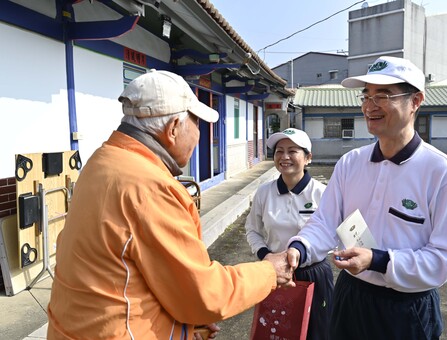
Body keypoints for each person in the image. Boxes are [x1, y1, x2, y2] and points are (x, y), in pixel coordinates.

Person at [46, 70, 294, 340]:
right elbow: (203, 295)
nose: (199, 135)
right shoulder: (150, 186)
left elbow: (133, 277)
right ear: (174, 128)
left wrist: (185, 327)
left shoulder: (103, 161)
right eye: (196, 124)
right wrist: (270, 272)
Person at [285, 56, 447, 339]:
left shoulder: (442, 173)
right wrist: (299, 248)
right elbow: (325, 221)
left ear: (416, 101)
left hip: (407, 309)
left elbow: (446, 259)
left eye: (383, 95)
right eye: (366, 96)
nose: (370, 106)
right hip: (350, 295)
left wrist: (378, 260)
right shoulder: (350, 163)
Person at [245, 128, 334, 340]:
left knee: (318, 332)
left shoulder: (322, 193)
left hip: (313, 274)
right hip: (274, 274)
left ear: (308, 158)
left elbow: (332, 234)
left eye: (292, 151)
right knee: (277, 331)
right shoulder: (264, 192)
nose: (284, 157)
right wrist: (265, 255)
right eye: (279, 151)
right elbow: (252, 230)